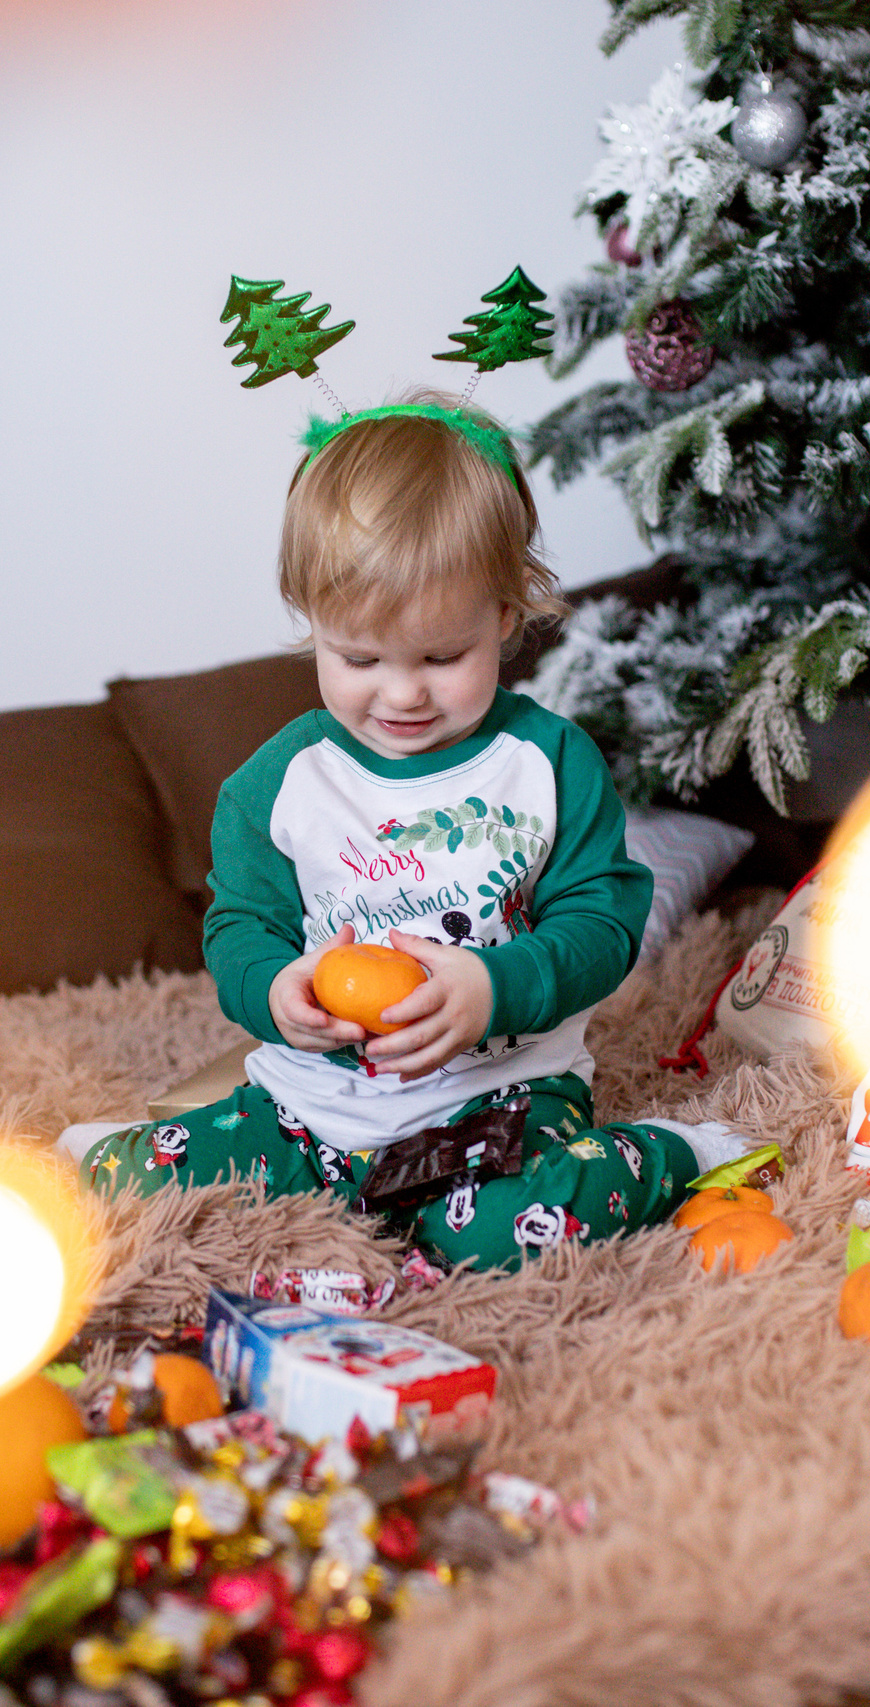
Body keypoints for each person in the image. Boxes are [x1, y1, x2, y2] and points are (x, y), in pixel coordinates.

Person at [72, 391, 753, 1268]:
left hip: (500, 1102)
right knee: (123, 1182)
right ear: (311, 619)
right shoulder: (279, 784)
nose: (401, 693)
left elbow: (603, 927)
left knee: (493, 1232)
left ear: (505, 615)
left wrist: (492, 988)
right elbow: (239, 928)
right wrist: (276, 990)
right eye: (359, 657)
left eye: (441, 656)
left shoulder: (548, 763)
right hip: (311, 1109)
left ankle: (672, 1153)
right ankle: (139, 1153)